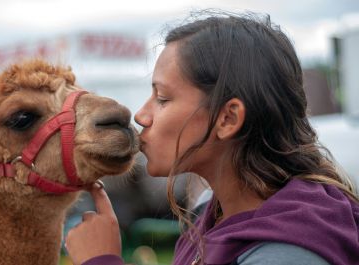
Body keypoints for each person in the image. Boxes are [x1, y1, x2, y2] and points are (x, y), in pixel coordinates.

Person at [65, 11, 359, 265]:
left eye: (163, 98)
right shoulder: (211, 211)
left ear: (227, 119)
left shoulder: (287, 253)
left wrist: (101, 259)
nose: (140, 115)